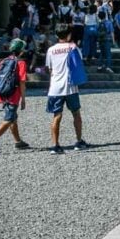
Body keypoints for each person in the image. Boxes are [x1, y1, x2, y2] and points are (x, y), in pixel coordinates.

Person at [45, 25, 88, 154]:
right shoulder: (73, 48)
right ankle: (78, 141)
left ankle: (55, 145)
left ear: (57, 35)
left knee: (56, 116)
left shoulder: (51, 50)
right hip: (71, 86)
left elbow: (50, 69)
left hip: (55, 87)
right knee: (76, 113)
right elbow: (78, 65)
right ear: (69, 35)